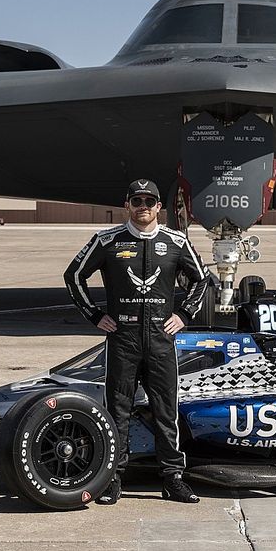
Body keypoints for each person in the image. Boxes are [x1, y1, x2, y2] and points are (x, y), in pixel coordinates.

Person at [64, 179, 208, 505]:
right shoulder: (107, 241)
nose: (143, 206)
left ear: (159, 207)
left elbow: (202, 279)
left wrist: (184, 315)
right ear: (127, 204)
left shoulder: (176, 241)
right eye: (137, 200)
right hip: (122, 339)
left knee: (165, 411)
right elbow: (73, 275)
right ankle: (112, 478)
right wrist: (93, 315)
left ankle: (173, 479)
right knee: (118, 410)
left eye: (150, 201)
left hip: (160, 339)